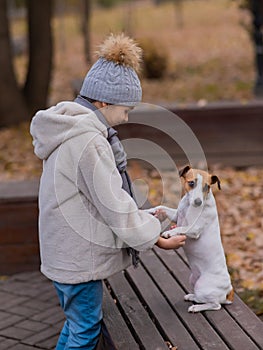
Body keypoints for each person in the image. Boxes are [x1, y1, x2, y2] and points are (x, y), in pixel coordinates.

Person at [30, 33, 186, 350]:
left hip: (64, 253)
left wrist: (148, 224)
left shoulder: (67, 129)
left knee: (77, 325)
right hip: (78, 262)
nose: (127, 117)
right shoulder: (89, 141)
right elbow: (114, 206)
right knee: (86, 330)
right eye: (125, 109)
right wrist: (154, 230)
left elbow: (95, 203)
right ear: (102, 102)